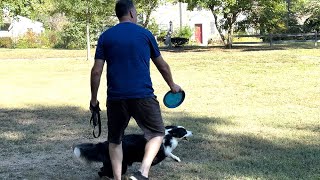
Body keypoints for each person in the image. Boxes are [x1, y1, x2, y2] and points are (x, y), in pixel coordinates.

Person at [90, 0, 182, 179]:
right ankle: (143, 172)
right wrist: (173, 86)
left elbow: (96, 71)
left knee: (115, 141)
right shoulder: (145, 34)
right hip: (143, 96)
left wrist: (94, 100)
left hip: (116, 98)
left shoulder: (105, 36)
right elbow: (162, 66)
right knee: (157, 134)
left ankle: (118, 178)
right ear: (131, 13)